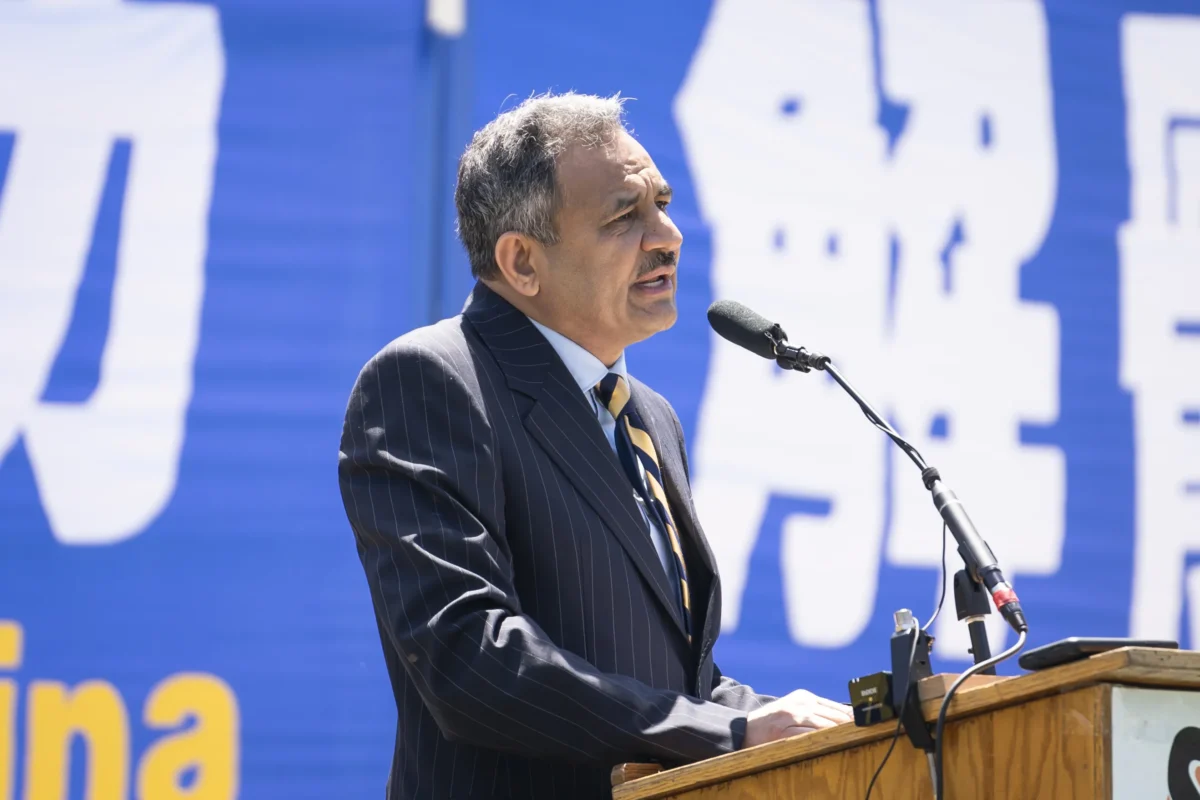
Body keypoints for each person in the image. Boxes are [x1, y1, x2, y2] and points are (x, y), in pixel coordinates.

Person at [338, 92, 852, 800]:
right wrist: (728, 733)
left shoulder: (650, 417)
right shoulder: (429, 382)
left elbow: (672, 685)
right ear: (522, 261)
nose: (668, 235)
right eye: (623, 216)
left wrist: (805, 724)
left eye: (662, 204)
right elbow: (469, 657)